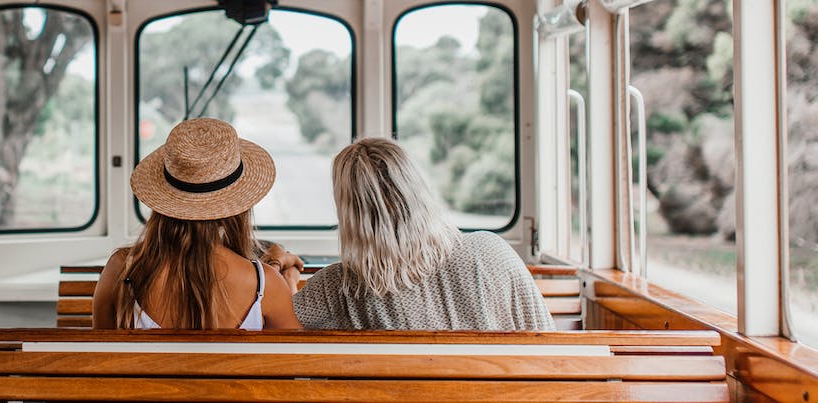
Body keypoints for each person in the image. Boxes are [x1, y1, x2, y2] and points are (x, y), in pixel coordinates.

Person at [275, 137, 554, 330]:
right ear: (417, 189)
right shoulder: (492, 251)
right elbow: (546, 339)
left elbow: (281, 326)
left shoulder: (339, 285)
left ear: (350, 214)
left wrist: (286, 274)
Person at [92, 118, 302, 329]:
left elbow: (98, 355)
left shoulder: (121, 269)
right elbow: (295, 355)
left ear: (163, 201)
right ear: (237, 207)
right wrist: (286, 279)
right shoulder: (265, 284)